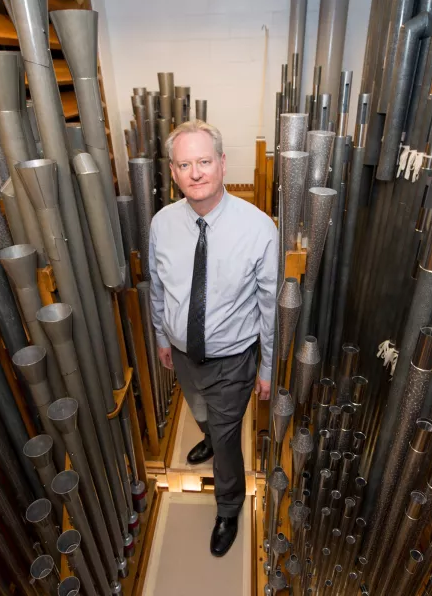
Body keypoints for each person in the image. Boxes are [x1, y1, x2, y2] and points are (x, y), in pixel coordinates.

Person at [149, 120, 277, 557]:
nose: (196, 172)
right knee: (200, 410)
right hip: (184, 356)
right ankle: (207, 431)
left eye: (204, 161)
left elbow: (270, 306)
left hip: (233, 362)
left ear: (222, 164)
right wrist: (162, 336)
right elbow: (157, 286)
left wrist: (268, 367)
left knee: (225, 442)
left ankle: (228, 506)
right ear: (173, 172)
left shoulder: (259, 229)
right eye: (185, 164)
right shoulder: (162, 224)